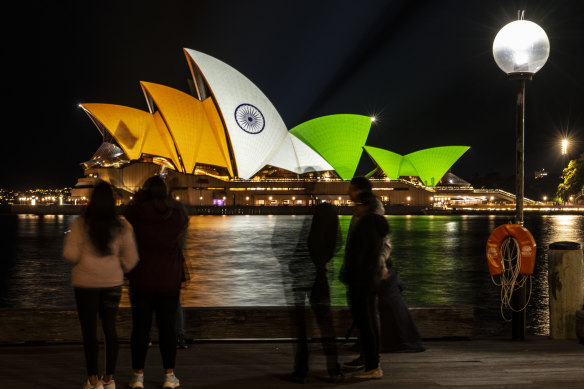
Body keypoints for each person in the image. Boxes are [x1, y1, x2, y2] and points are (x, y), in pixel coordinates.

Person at [63, 180, 139, 389]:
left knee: (89, 331)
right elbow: (132, 259)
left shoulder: (80, 223)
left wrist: (84, 258)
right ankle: (110, 379)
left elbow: (70, 253)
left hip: (85, 283)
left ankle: (93, 379)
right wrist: (118, 268)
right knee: (110, 329)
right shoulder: (121, 225)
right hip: (112, 283)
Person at [125, 176, 189, 389]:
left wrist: (140, 197)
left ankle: (137, 376)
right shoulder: (176, 215)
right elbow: (184, 220)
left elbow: (127, 210)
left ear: (146, 192)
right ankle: (169, 376)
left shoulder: (139, 212)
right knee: (167, 329)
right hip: (169, 278)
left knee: (140, 329)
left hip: (142, 277)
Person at [281, 202, 344, 383]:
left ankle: (301, 370)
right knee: (326, 325)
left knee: (301, 326)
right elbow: (336, 246)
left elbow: (294, 252)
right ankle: (334, 370)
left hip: (302, 279)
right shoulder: (332, 235)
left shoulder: (309, 233)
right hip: (322, 279)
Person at [340, 177, 389, 379]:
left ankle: (372, 364)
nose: (348, 193)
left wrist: (380, 264)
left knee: (367, 319)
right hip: (365, 275)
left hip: (365, 275)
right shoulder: (367, 213)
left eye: (351, 190)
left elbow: (378, 246)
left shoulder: (371, 216)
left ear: (360, 192)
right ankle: (368, 359)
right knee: (367, 319)